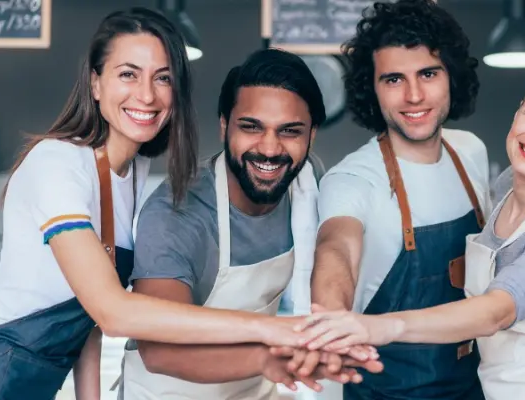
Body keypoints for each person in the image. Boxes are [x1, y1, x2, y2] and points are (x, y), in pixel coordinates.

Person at [0, 8, 322, 400]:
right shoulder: (58, 162)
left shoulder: (130, 174)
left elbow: (87, 320)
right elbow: (113, 312)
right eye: (128, 74)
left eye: (162, 79)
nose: (146, 94)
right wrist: (272, 332)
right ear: (95, 83)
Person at [298, 64, 525, 400]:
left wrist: (377, 327)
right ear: (518, 111)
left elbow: (496, 311)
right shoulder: (508, 184)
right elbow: (336, 245)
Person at [118, 48, 382, 400]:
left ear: (311, 135)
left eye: (290, 131)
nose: (270, 149)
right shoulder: (178, 212)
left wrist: (329, 337)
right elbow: (160, 349)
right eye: (251, 127)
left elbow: (335, 248)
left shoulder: (305, 183)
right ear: (225, 125)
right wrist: (267, 358)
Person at [306, 0, 491, 398]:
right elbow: (336, 248)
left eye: (428, 73)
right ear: (371, 90)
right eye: (393, 79)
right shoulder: (353, 179)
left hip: (473, 389)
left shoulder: (471, 153)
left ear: (451, 77)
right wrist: (333, 321)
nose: (414, 95)